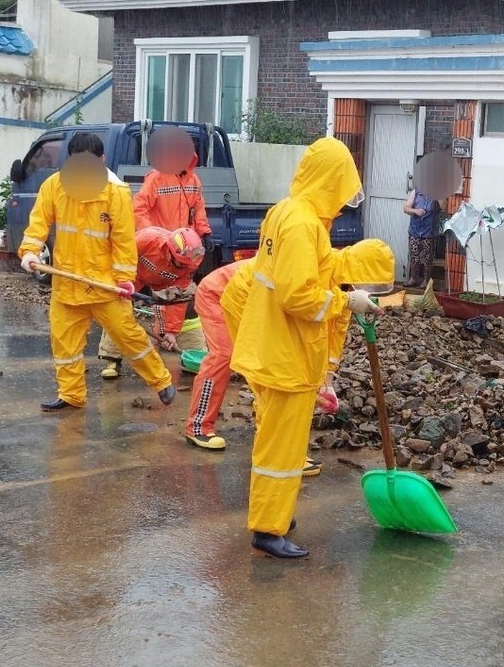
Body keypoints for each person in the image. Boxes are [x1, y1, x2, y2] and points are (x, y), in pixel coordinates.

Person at [231, 137, 381, 559]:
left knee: (278, 442)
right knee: (282, 447)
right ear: (332, 180)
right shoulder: (302, 224)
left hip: (272, 345)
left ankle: (275, 513)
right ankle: (268, 528)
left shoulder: (288, 212)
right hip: (285, 353)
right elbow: (297, 296)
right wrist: (346, 301)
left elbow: (301, 275)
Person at [186, 239, 394, 462]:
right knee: (252, 367)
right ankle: (200, 426)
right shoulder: (317, 268)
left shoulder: (345, 287)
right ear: (358, 269)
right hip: (225, 293)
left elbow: (333, 334)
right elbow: (299, 306)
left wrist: (327, 380)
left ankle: (282, 449)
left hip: (264, 302)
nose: (364, 291)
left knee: (288, 371)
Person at [18, 132, 177, 412]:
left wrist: (126, 278)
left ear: (102, 161)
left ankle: (161, 381)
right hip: (67, 283)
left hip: (104, 285)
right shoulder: (54, 186)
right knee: (64, 344)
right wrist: (30, 250)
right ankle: (71, 395)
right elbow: (39, 221)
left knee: (128, 336)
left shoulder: (115, 192)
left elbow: (124, 239)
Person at [134, 127, 214, 350]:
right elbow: (139, 208)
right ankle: (112, 356)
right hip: (160, 248)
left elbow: (198, 208)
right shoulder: (157, 177)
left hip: (185, 249)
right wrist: (152, 235)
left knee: (179, 297)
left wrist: (204, 231)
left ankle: (171, 336)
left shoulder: (194, 180)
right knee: (130, 299)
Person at [97, 226, 205, 379]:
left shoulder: (190, 264)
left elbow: (178, 299)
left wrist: (170, 332)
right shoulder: (148, 240)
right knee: (118, 308)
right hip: (131, 275)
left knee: (188, 307)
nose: (183, 266)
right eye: (180, 262)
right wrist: (118, 282)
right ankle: (111, 359)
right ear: (171, 251)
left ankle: (193, 355)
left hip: (164, 285)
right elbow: (119, 255)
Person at [402, 188, 438, 287]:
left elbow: (444, 207)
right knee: (414, 256)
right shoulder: (415, 192)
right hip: (415, 231)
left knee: (428, 258)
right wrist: (415, 211)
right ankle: (414, 279)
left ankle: (426, 281)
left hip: (429, 232)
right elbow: (406, 208)